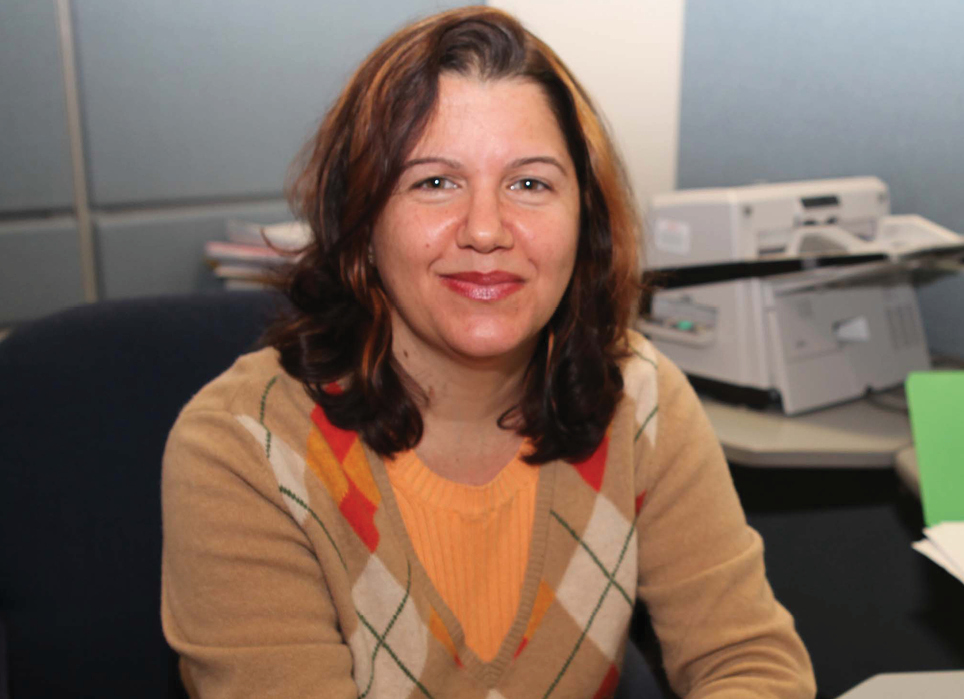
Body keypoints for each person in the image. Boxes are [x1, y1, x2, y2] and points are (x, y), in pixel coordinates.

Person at [160, 7, 814, 698]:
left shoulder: (639, 399)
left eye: (529, 183)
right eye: (433, 181)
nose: (485, 229)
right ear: (361, 224)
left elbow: (749, 664)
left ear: (584, 218)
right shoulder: (244, 447)